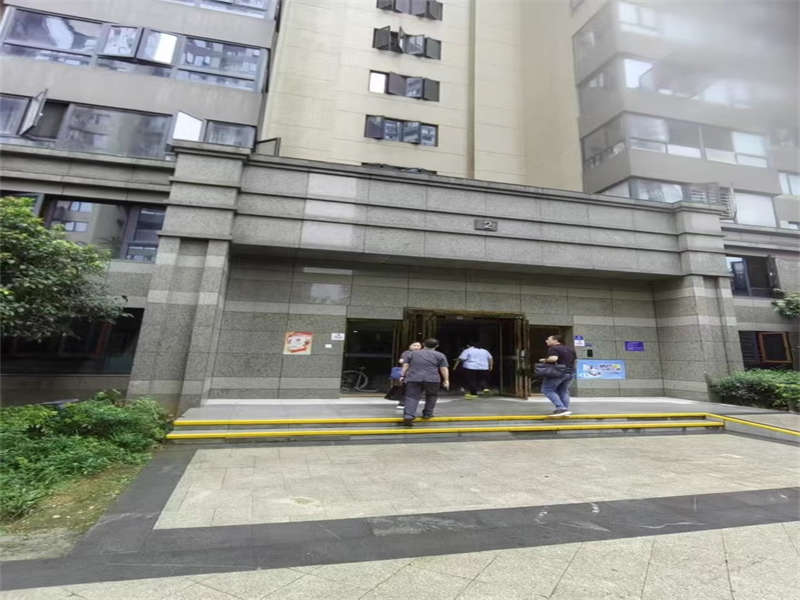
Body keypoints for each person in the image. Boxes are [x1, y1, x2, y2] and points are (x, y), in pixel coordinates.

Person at [400, 338, 449, 426]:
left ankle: (408, 416)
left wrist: (402, 375)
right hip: (432, 379)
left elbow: (405, 365)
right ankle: (427, 414)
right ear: (437, 346)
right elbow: (443, 369)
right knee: (431, 396)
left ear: (423, 344)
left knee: (411, 397)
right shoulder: (440, 355)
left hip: (414, 378)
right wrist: (446, 380)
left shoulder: (412, 353)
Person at [539, 334, 576, 416]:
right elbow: (574, 360)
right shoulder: (570, 348)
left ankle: (561, 408)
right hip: (570, 372)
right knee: (563, 391)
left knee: (547, 389)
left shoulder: (554, 348)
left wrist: (544, 360)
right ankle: (565, 409)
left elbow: (554, 359)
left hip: (558, 373)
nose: (546, 341)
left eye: (548, 339)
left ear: (555, 340)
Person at [385, 342, 421, 409]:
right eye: (414, 345)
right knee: (405, 388)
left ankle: (408, 403)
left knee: (413, 389)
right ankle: (402, 403)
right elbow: (402, 361)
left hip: (418, 374)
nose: (416, 347)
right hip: (407, 373)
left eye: (418, 345)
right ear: (410, 346)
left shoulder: (422, 354)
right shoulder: (407, 353)